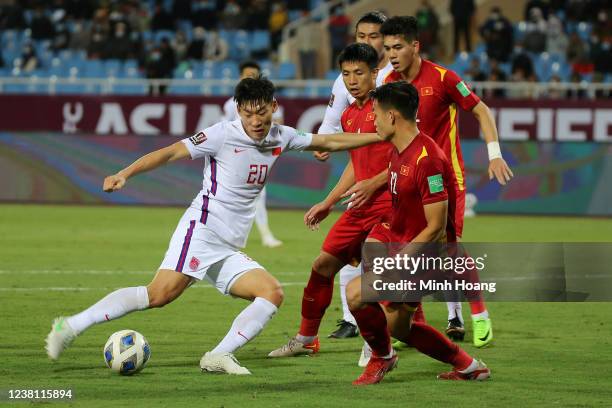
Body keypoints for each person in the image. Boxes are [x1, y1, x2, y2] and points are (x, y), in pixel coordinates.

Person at [45, 76, 383, 375]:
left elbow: (329, 142)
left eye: (261, 112)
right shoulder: (222, 134)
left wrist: (379, 136)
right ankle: (70, 325)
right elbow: (168, 153)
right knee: (159, 294)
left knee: (271, 293)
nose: (255, 120)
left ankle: (218, 355)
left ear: (273, 107)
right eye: (247, 113)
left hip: (228, 244)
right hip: (202, 230)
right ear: (237, 110)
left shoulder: (282, 135)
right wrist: (124, 173)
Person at [345, 81, 491, 385]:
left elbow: (436, 227)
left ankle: (381, 358)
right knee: (399, 327)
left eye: (376, 113)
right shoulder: (398, 150)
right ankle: (468, 366)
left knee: (356, 295)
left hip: (426, 254)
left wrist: (400, 262)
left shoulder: (429, 161)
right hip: (402, 242)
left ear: (393, 116)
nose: (373, 119)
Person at [381, 16, 513, 346]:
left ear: (415, 46)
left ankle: (479, 314)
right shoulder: (389, 83)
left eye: (398, 47)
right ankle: (410, 325)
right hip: (407, 179)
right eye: (386, 49)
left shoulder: (443, 78)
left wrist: (493, 153)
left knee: (446, 247)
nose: (392, 54)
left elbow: (481, 111)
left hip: (444, 178)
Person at [268, 42, 393, 359]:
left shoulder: (391, 108)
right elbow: (356, 163)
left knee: (376, 279)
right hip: (360, 207)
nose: (352, 80)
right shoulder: (350, 115)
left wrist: (375, 182)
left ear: (375, 73)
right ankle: (307, 338)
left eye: (360, 73)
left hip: (392, 206)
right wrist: (328, 201)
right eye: (347, 73)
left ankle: (378, 344)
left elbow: (411, 155)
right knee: (322, 266)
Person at [314, 10, 394, 340]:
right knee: (338, 259)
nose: (367, 41)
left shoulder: (396, 85)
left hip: (397, 192)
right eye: (362, 36)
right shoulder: (348, 90)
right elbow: (335, 122)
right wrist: (323, 141)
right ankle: (351, 322)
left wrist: (376, 180)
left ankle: (454, 317)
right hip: (364, 190)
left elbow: (411, 149)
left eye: (374, 36)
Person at [223, 61, 284, 248]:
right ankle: (231, 235)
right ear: (240, 77)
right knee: (231, 198)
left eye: (254, 75)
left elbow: (279, 126)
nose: (250, 79)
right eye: (247, 75)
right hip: (235, 158)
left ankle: (265, 235)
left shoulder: (270, 102)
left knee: (259, 195)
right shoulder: (230, 104)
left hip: (258, 156)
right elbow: (225, 129)